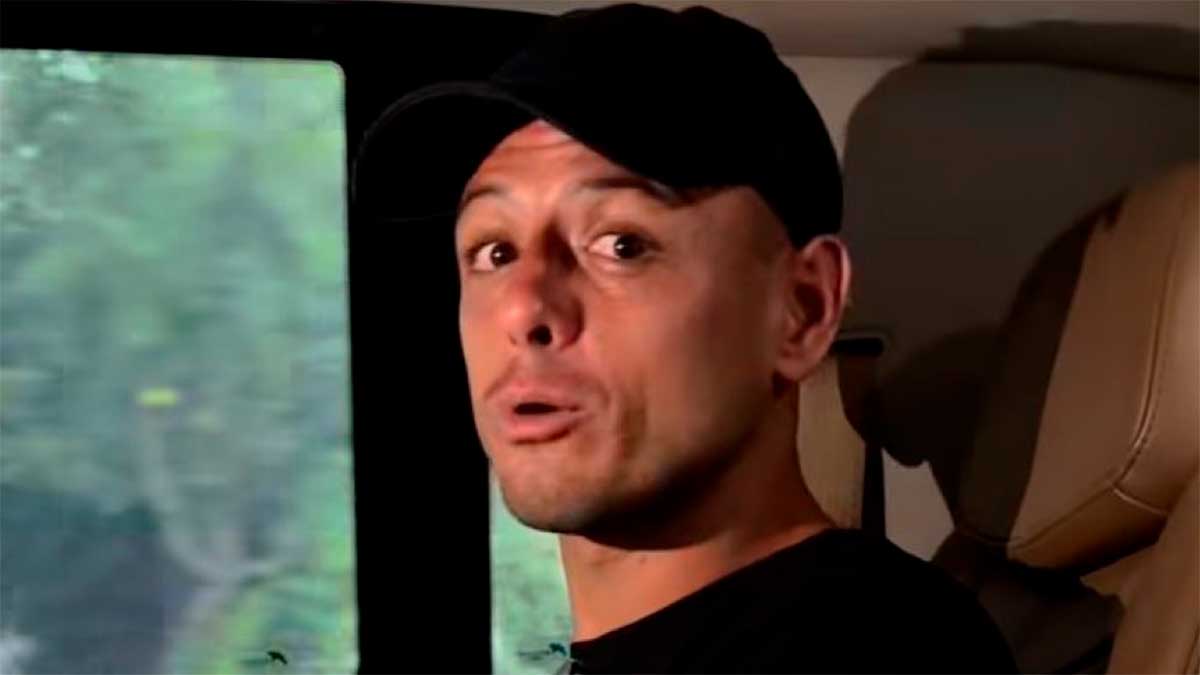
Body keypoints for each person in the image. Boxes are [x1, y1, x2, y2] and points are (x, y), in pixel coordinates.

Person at [355, 4, 1017, 673]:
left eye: (623, 244)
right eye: (494, 251)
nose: (524, 307)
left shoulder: (876, 650)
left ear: (803, 309)